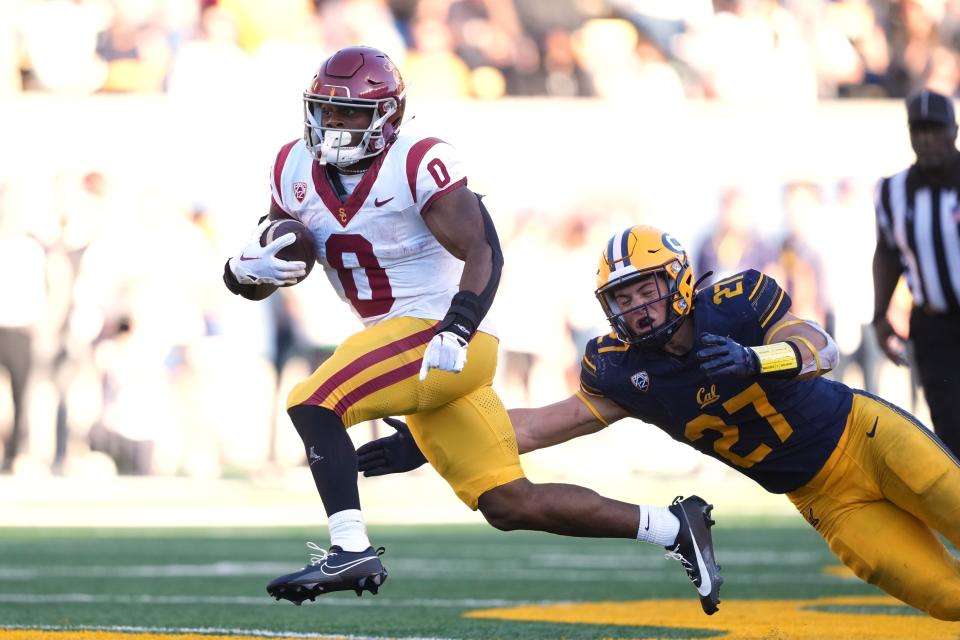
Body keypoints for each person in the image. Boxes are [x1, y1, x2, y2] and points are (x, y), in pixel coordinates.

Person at [221, 46, 723, 614]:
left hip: (442, 335)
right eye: (328, 112)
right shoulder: (290, 169)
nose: (336, 125)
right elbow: (274, 263)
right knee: (508, 502)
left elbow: (484, 251)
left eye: (352, 113)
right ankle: (672, 526)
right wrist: (240, 273)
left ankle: (350, 548)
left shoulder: (416, 162)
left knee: (313, 401)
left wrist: (457, 329)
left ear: (386, 115)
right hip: (403, 348)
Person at [360, 225, 960, 620]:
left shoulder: (738, 303)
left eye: (645, 289)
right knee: (947, 598)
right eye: (621, 299)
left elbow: (819, 347)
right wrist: (430, 444)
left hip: (869, 437)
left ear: (675, 279)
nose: (635, 306)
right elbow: (546, 424)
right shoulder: (623, 371)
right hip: (824, 499)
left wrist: (758, 359)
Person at [873, 88, 960, 460]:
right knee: (951, 427)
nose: (926, 139)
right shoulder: (893, 191)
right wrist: (880, 316)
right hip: (934, 326)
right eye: (918, 130)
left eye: (934, 129)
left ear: (953, 130)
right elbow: (887, 254)